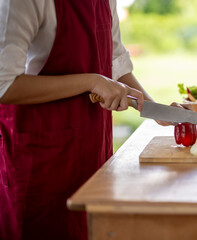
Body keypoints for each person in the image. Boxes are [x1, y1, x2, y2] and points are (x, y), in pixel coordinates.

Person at [0, 0, 166, 239]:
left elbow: (115, 60)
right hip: (38, 157)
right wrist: (91, 81)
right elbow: (4, 85)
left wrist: (153, 108)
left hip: (92, 146)